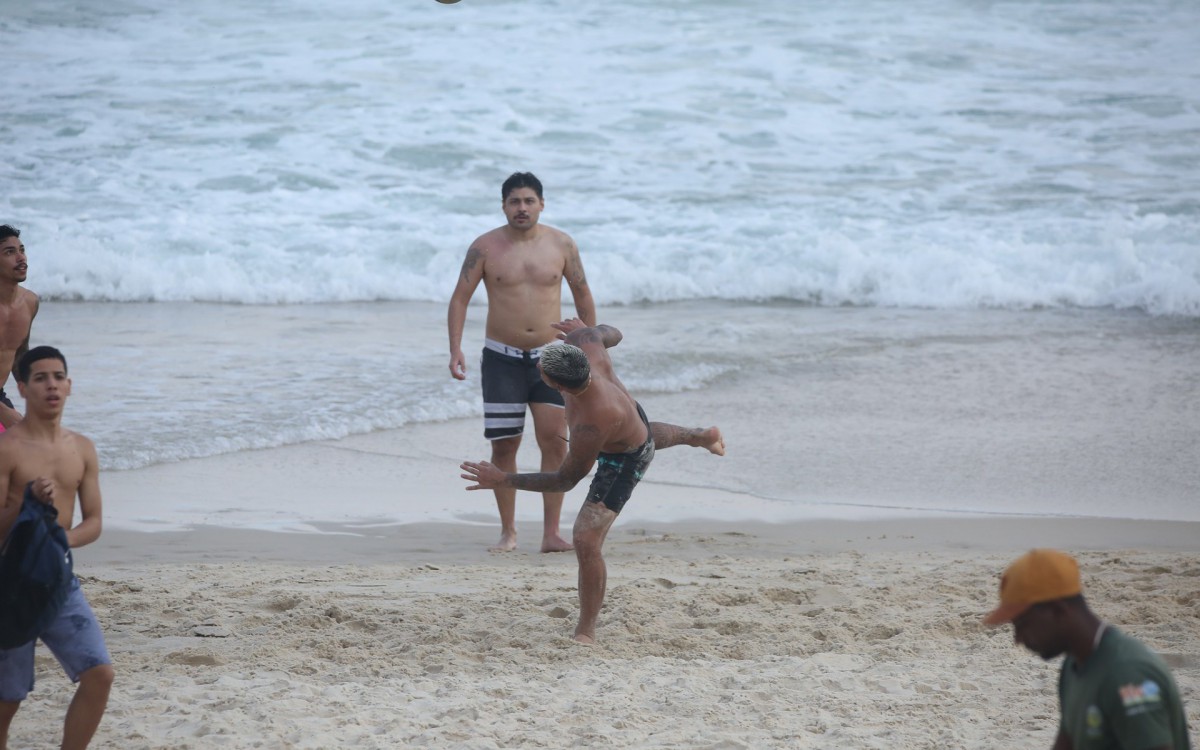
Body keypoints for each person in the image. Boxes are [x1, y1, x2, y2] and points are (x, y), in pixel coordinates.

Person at [461, 318, 724, 644]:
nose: (539, 365)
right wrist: (588, 328)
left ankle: (586, 629)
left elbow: (565, 479)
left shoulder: (590, 423)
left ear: (557, 386)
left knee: (585, 539)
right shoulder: (586, 341)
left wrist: (504, 479)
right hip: (629, 417)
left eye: (543, 369)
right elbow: (615, 333)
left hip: (624, 460)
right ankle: (699, 436)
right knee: (639, 432)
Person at [447, 172, 596, 553]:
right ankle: (508, 532)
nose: (522, 208)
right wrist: (455, 348)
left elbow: (582, 294)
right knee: (504, 446)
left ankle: (551, 534)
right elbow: (460, 298)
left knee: (555, 441)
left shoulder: (562, 244)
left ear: (541, 204)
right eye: (514, 201)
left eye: (529, 201)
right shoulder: (485, 247)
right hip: (502, 359)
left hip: (552, 357)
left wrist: (590, 347)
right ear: (504, 206)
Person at [0, 346, 113, 750]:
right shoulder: (7, 449)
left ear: (69, 386)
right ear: (22, 388)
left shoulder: (81, 448)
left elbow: (94, 521)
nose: (51, 385)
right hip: (9, 583)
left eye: (58, 377)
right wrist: (24, 503)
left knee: (99, 674)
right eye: (40, 378)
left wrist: (61, 539)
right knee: (7, 699)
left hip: (58, 577)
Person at [983, 549, 1192, 750]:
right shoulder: (1074, 665)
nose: (1018, 639)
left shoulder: (1128, 673)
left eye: (1022, 624)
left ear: (1058, 610)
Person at [0, 226, 40, 430]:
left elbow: (19, 353)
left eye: (21, 250)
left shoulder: (30, 302)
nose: (21, 258)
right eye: (9, 252)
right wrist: (3, 412)